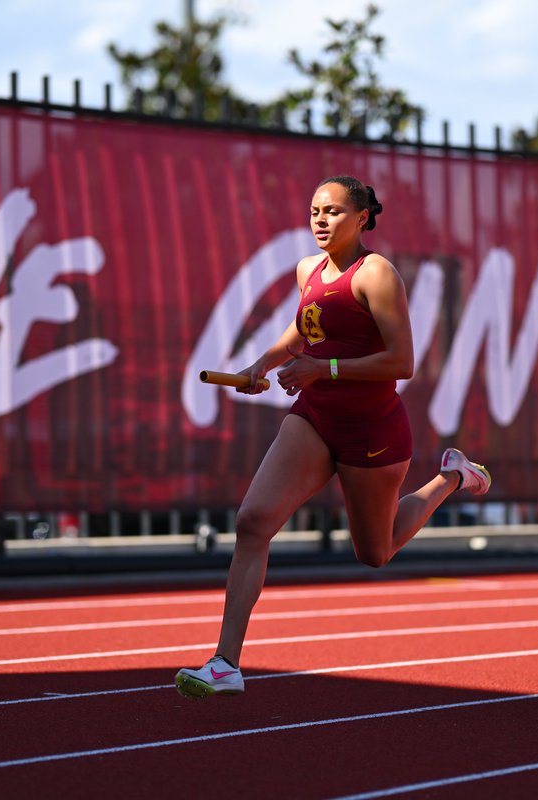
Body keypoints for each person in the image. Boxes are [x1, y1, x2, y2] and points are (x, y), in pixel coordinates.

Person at [174, 175, 491, 699]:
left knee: (376, 552)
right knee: (253, 521)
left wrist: (324, 370)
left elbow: (402, 361)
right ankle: (225, 663)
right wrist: (260, 364)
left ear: (363, 217)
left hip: (373, 430)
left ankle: (453, 477)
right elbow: (305, 331)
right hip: (316, 418)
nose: (320, 219)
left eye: (334, 211)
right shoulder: (309, 270)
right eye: (315, 210)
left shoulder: (377, 274)